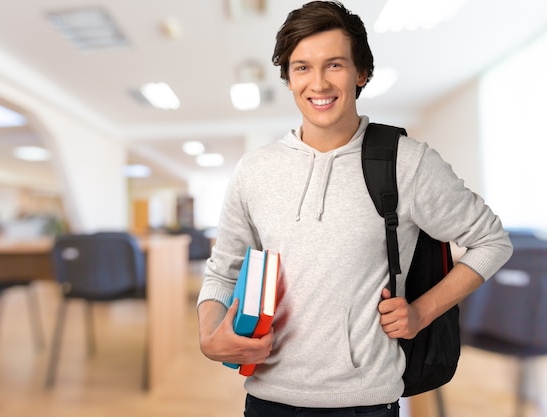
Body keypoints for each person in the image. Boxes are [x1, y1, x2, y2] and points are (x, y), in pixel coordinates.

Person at [196, 1, 513, 416]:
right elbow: (223, 270)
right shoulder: (254, 171)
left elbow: (492, 241)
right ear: (288, 79)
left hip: (364, 402)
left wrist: (421, 311)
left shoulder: (407, 162)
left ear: (361, 73)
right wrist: (208, 335)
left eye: (335, 65)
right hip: (265, 399)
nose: (319, 83)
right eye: (302, 67)